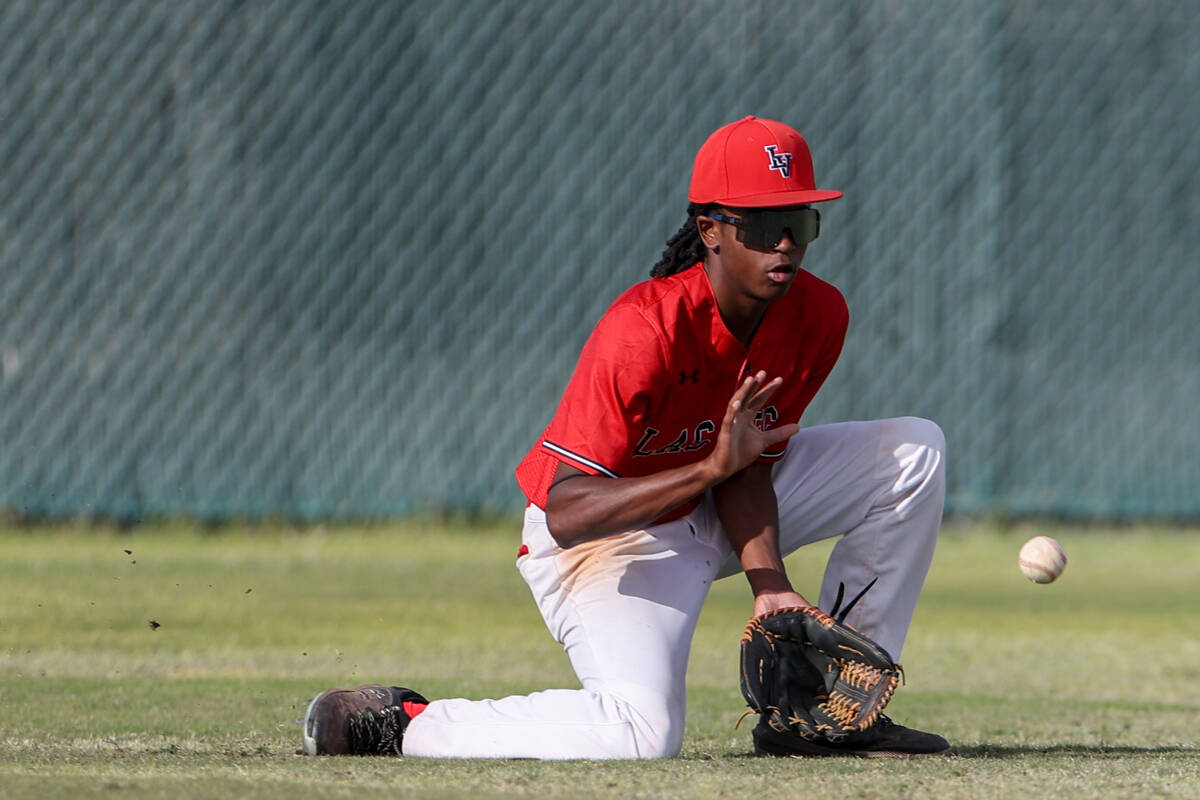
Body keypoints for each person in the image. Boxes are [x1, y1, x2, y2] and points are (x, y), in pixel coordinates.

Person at [302, 116, 949, 759]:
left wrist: (769, 584)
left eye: (799, 222)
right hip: (611, 541)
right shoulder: (644, 329)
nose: (783, 243)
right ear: (711, 231)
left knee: (914, 453)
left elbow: (752, 466)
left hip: (716, 501)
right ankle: (405, 723)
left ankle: (829, 712)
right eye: (758, 224)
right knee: (641, 734)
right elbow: (566, 512)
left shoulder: (816, 314)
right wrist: (706, 471)